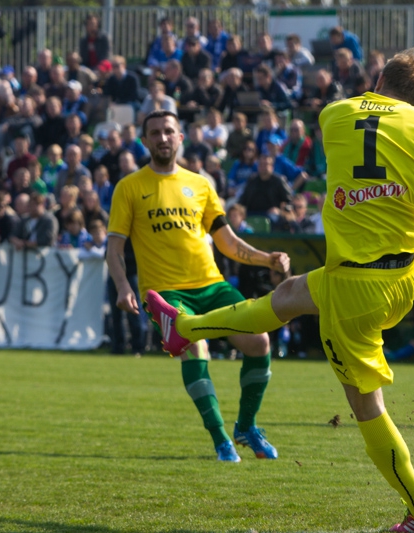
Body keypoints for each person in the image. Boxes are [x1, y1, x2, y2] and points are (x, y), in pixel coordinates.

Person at [145, 49, 414, 533]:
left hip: (355, 286)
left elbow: (366, 151)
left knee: (366, 406)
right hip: (401, 276)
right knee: (287, 297)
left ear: (378, 79)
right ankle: (186, 328)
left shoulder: (333, 114)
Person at [106, 110, 291, 463]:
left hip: (211, 285)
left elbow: (227, 241)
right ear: (144, 141)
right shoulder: (129, 187)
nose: (162, 137)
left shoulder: (201, 184)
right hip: (166, 293)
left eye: (168, 131)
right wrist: (122, 286)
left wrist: (266, 258)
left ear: (180, 138)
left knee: (260, 342)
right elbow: (114, 248)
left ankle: (246, 427)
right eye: (155, 132)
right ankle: (221, 439)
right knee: (194, 347)